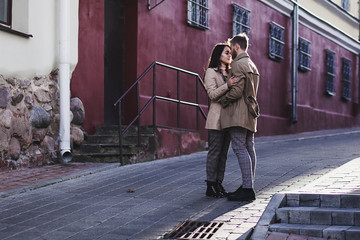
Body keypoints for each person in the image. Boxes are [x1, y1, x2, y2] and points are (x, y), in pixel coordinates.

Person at [219, 33, 260, 201]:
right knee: (249, 147)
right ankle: (247, 185)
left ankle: (247, 189)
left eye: (231, 48)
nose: (230, 52)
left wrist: (223, 100)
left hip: (238, 113)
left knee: (239, 147)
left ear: (237, 46)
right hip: (251, 112)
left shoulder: (237, 65)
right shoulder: (252, 65)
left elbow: (236, 91)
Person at [204, 43, 239, 198]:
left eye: (230, 53)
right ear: (219, 55)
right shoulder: (211, 72)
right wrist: (228, 85)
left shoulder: (230, 72)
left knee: (223, 154)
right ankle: (210, 185)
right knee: (214, 153)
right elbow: (212, 95)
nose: (229, 55)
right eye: (226, 52)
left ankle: (219, 182)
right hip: (216, 119)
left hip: (228, 119)